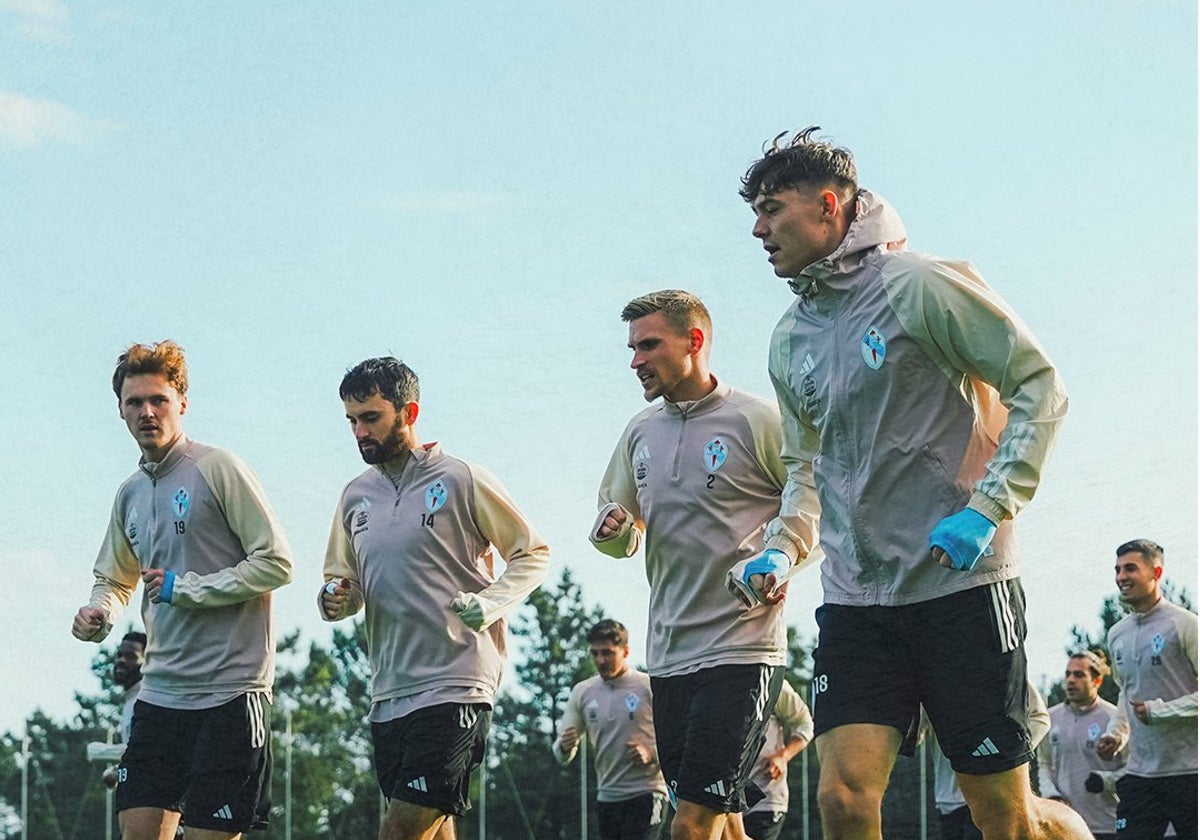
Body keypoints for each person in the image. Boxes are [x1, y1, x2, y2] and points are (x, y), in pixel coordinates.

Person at [737, 128, 1088, 840]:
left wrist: (988, 509)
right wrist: (783, 547)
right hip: (858, 602)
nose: (758, 227)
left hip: (960, 590)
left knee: (1003, 816)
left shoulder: (917, 285)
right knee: (841, 797)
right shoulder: (788, 337)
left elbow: (1039, 385)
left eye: (773, 208)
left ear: (829, 207)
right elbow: (808, 466)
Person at [590, 290, 798, 840]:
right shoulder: (639, 432)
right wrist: (611, 530)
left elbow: (815, 504)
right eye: (632, 348)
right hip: (669, 655)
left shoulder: (757, 419)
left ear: (695, 341)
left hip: (740, 649)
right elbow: (618, 524)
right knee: (725, 824)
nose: (636, 360)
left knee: (691, 825)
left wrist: (779, 563)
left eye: (649, 345)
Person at [71, 340, 294, 840]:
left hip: (231, 693)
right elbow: (114, 577)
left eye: (159, 400)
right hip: (161, 694)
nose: (147, 412)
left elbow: (277, 563)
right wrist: (98, 611)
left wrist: (188, 589)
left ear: (182, 404)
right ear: (121, 411)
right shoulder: (129, 493)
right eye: (135, 402)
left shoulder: (218, 468)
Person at [321, 356, 550, 840]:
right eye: (351, 420)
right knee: (434, 830)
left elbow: (533, 554)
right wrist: (336, 599)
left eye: (371, 417)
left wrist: (489, 605)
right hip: (389, 691)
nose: (359, 431)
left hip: (456, 680)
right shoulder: (354, 497)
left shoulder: (461, 477)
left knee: (401, 830)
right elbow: (344, 581)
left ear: (409, 412)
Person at [1095, 539, 1197, 840]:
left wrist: (1160, 711)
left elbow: (1148, 705)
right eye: (1117, 570)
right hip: (1140, 774)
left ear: (1156, 572)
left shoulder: (1185, 624)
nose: (1121, 577)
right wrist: (1116, 733)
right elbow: (1128, 692)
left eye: (1130, 569)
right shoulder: (1117, 634)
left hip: (1191, 773)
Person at [554, 619, 669, 840]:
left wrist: (651, 753)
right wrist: (565, 746)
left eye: (607, 653)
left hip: (647, 791)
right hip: (608, 797)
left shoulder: (648, 686)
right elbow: (561, 754)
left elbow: (677, 736)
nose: (600, 660)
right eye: (595, 653)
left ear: (625, 651)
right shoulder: (583, 692)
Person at [930, 682, 1051, 840]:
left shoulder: (1000, 662)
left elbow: (1039, 718)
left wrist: (1005, 760)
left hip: (989, 796)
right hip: (946, 801)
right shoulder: (930, 671)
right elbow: (915, 732)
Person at [1038, 651, 1127, 840]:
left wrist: (1106, 781)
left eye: (1079, 675)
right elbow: (1044, 764)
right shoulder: (1050, 718)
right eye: (1068, 674)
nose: (1070, 680)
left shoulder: (1114, 719)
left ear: (1097, 681)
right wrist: (1051, 795)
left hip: (1107, 825)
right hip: (1063, 827)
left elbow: (1135, 768)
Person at [741, 680, 813, 840]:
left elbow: (805, 724)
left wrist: (783, 757)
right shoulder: (708, 675)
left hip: (763, 794)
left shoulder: (771, 680)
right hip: (720, 796)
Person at [87, 631, 148, 788]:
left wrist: (100, 752)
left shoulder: (147, 699)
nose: (121, 660)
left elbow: (146, 749)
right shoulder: (130, 700)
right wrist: (116, 772)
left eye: (131, 656)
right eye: (119, 655)